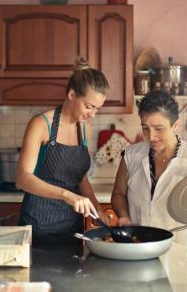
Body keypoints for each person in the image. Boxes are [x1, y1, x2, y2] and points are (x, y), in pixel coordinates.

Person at [111, 90, 187, 291]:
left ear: (175, 125)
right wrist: (123, 215)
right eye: (145, 128)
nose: (151, 136)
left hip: (180, 254)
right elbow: (118, 194)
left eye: (158, 128)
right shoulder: (131, 155)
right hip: (139, 250)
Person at [16, 57, 109, 245]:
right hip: (38, 226)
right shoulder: (42, 124)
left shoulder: (84, 128)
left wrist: (97, 209)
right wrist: (67, 195)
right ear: (72, 94)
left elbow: (80, 178)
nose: (92, 114)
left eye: (97, 109)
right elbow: (22, 179)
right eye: (89, 106)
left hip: (72, 229)